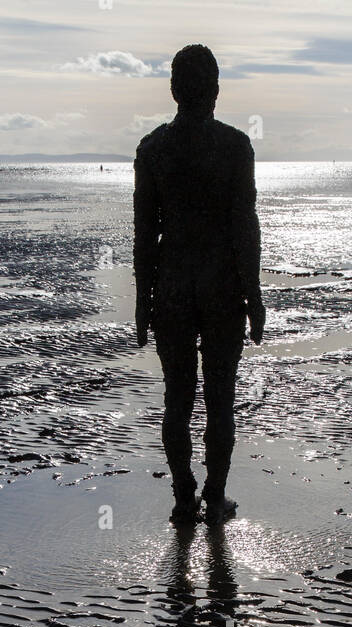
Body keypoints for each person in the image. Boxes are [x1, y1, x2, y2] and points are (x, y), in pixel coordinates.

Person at [133, 44, 265, 526]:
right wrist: (254, 294)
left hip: (170, 284)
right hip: (221, 285)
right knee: (219, 399)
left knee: (178, 398)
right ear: (214, 90)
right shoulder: (234, 146)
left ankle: (185, 497)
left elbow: (145, 234)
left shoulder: (153, 149)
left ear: (173, 89)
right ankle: (213, 497)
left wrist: (143, 300)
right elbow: (243, 226)